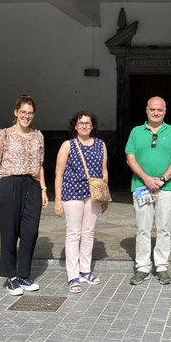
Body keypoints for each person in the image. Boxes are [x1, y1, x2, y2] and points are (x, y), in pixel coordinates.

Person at [0, 94, 49, 296]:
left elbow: (40, 165)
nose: (27, 116)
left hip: (32, 184)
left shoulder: (38, 136)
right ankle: (11, 276)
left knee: (30, 232)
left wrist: (44, 189)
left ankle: (23, 274)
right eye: (23, 112)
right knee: (9, 232)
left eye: (30, 113)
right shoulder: (4, 135)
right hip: (7, 184)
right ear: (16, 112)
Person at [125, 96, 171, 285]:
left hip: (166, 188)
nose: (156, 113)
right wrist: (147, 179)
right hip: (142, 186)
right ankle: (142, 267)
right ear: (147, 110)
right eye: (152, 109)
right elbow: (130, 158)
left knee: (164, 227)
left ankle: (161, 266)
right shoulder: (136, 131)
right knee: (142, 228)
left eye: (159, 110)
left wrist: (162, 179)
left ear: (165, 111)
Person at [54, 111, 108, 293]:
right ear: (75, 126)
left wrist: (104, 195)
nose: (84, 126)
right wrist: (58, 200)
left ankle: (85, 270)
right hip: (72, 192)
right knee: (73, 233)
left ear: (93, 126)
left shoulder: (100, 145)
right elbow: (59, 174)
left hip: (93, 193)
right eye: (81, 123)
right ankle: (73, 275)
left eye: (88, 123)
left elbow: (103, 170)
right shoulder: (67, 145)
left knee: (88, 232)